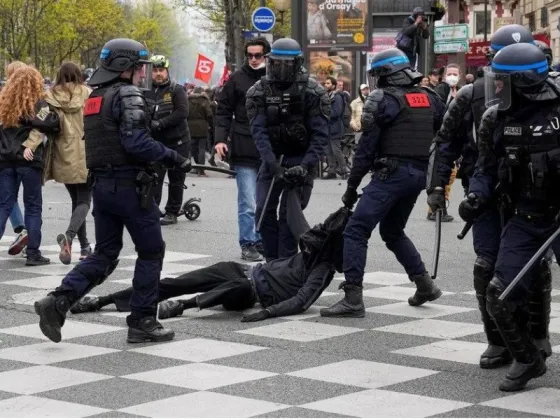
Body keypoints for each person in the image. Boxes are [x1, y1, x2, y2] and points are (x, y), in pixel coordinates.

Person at [34, 38, 192, 345]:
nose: (141, 74)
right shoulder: (127, 94)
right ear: (124, 67)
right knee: (151, 251)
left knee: (106, 253)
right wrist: (175, 158)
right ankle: (143, 321)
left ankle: (58, 301)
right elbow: (136, 144)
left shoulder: (96, 97)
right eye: (138, 68)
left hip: (103, 187)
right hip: (130, 186)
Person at [426, 24, 553, 370]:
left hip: (533, 194)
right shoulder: (470, 96)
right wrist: (437, 188)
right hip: (486, 192)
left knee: (534, 266)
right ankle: (498, 340)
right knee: (487, 266)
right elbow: (445, 142)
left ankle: (537, 334)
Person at [459, 42, 559, 391]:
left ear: (526, 82)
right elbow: (485, 169)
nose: (495, 88)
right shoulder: (494, 118)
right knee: (498, 294)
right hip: (526, 216)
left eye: (503, 82)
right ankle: (528, 359)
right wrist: (475, 195)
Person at [320, 48, 445, 318]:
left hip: (392, 174)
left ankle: (353, 297)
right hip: (418, 176)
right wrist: (436, 183)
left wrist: (352, 188)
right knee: (392, 231)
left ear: (387, 75)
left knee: (356, 230)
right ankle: (424, 284)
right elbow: (441, 142)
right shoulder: (431, 98)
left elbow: (365, 150)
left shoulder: (383, 100)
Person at [70, 203, 350, 322]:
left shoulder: (322, 269)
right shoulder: (315, 246)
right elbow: (296, 220)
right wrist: (290, 184)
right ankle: (101, 301)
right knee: (175, 283)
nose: (308, 241)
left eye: (317, 239)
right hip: (245, 270)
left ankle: (183, 306)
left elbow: (301, 301)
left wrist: (267, 313)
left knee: (238, 286)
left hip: (251, 293)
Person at [246, 38, 330, 262]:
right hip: (272, 159)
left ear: (297, 63)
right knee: (263, 211)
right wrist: (272, 165)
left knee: (288, 216)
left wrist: (305, 166)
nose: (282, 70)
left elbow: (320, 135)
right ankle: (272, 263)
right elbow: (259, 132)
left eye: (287, 65)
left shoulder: (313, 92)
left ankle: (287, 265)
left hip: (302, 159)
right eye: (277, 64)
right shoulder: (259, 91)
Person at [215, 38, 271, 262]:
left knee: (265, 202)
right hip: (244, 146)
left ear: (266, 55)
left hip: (270, 150)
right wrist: (220, 140)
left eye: (258, 55)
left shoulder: (275, 78)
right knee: (248, 201)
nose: (254, 60)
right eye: (250, 56)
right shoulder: (236, 79)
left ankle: (261, 240)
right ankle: (248, 243)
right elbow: (223, 111)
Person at [0, 66, 60, 266]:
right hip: (30, 159)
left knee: (4, 205)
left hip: (6, 159)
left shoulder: (4, 103)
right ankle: (33, 253)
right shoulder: (39, 105)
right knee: (33, 206)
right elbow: (51, 124)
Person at [43, 62, 93, 264]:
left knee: (76, 200)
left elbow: (42, 121)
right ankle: (70, 237)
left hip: (63, 152)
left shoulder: (50, 96)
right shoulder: (88, 94)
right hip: (85, 151)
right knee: (84, 201)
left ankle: (85, 246)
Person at [145, 55, 190, 225]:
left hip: (178, 142)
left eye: (161, 70)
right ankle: (154, 209)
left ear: (167, 71)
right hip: (156, 143)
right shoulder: (145, 90)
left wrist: (160, 123)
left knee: (176, 178)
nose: (158, 74)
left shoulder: (176, 90)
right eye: (155, 70)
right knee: (155, 177)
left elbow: (182, 112)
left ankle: (172, 211)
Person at [323, 76, 346, 179]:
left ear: (333, 85)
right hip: (327, 127)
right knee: (328, 151)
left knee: (336, 150)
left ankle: (343, 170)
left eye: (328, 83)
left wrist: (324, 114)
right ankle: (331, 171)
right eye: (325, 83)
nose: (325, 85)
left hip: (335, 127)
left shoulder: (337, 97)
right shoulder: (326, 96)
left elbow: (336, 112)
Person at [187, 86, 213, 176]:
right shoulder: (204, 101)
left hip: (190, 127)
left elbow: (185, 113)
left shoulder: (188, 100)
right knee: (201, 148)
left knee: (192, 148)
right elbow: (209, 114)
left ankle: (194, 166)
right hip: (202, 127)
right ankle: (201, 170)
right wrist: (209, 124)